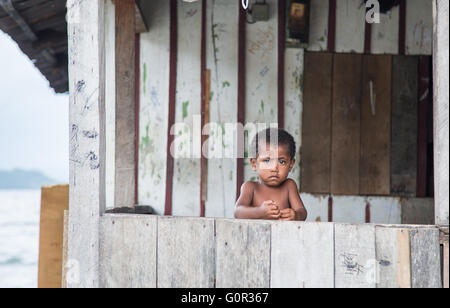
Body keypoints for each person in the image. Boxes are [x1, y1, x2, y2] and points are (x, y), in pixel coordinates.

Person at [234, 128, 307, 221]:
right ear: (254, 164)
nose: (274, 168)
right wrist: (260, 212)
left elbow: (302, 211)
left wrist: (296, 215)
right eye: (267, 160)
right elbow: (238, 212)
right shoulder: (250, 187)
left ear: (291, 164)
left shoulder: (289, 186)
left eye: (282, 161)